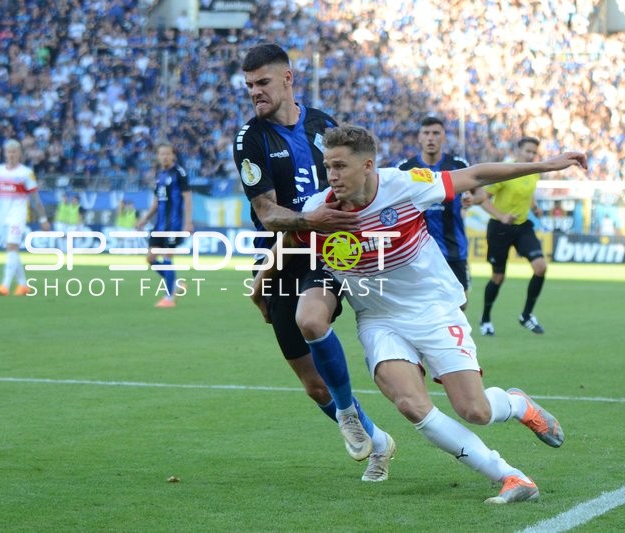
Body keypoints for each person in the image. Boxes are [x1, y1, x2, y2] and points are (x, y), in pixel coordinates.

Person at [257, 125, 583, 504]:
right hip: (379, 320)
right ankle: (510, 476)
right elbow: (290, 243)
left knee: (474, 410)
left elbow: (475, 174)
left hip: (433, 309)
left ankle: (516, 404)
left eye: (341, 166)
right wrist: (261, 284)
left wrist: (546, 165)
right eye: (328, 167)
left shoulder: (405, 185)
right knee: (411, 404)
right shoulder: (320, 210)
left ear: (368, 166)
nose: (333, 176)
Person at [234, 43, 395, 480]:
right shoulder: (250, 138)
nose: (255, 92)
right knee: (312, 383)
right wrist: (270, 267)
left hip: (327, 252)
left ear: (288, 79)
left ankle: (373, 397)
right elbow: (267, 213)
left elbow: (359, 185)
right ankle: (377, 440)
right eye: (249, 85)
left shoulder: (325, 126)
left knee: (312, 320)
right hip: (281, 256)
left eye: (263, 82)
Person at [397, 117, 472, 308]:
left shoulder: (458, 164)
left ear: (443, 137)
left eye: (436, 133)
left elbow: (478, 194)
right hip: (417, 248)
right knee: (419, 303)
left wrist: (471, 199)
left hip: (453, 246)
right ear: (419, 138)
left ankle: (454, 338)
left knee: (460, 304)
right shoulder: (405, 169)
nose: (431, 138)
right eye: (426, 133)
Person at [478, 136, 549, 336]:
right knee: (498, 277)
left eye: (534, 153)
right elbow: (482, 198)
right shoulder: (505, 172)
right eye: (527, 151)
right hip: (499, 228)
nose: (531, 155)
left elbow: (529, 193)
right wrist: (501, 216)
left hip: (522, 227)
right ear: (518, 151)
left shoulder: (534, 173)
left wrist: (535, 207)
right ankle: (485, 319)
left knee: (541, 267)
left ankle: (526, 315)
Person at [0, 139, 50, 296]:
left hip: (18, 215)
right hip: (2, 216)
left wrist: (43, 219)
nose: (11, 155)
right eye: (9, 152)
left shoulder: (26, 173)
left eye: (14, 152)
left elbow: (35, 198)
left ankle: (5, 285)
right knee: (11, 250)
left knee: (11, 247)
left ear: (19, 154)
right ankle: (23, 285)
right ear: (5, 154)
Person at [136, 143, 192, 308]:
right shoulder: (160, 175)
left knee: (167, 258)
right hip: (159, 225)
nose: (165, 157)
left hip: (174, 225)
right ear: (158, 156)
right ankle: (175, 285)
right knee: (150, 258)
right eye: (162, 154)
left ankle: (168, 298)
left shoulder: (179, 173)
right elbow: (156, 201)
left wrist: (188, 222)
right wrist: (145, 218)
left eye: (167, 154)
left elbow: (188, 198)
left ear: (173, 155)